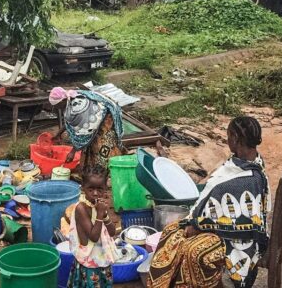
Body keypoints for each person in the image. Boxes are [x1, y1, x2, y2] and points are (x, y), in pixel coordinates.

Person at [148, 116, 270, 288]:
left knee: (193, 252)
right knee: (170, 231)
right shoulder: (243, 162)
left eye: (228, 136)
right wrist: (195, 223)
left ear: (235, 139)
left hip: (239, 241)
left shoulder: (248, 181)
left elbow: (238, 217)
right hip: (223, 228)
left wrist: (197, 226)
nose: (227, 140)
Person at [50, 88, 127, 172]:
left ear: (62, 101)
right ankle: (91, 169)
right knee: (89, 144)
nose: (55, 108)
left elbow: (84, 134)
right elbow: (73, 123)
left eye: (56, 105)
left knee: (102, 144)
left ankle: (108, 171)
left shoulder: (78, 107)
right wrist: (59, 134)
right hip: (93, 117)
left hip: (106, 116)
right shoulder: (70, 100)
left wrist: (72, 152)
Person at [67, 165, 118, 288]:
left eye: (100, 189)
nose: (95, 193)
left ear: (105, 188)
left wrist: (104, 215)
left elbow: (112, 232)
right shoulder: (81, 208)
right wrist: (100, 214)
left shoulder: (99, 205)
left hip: (101, 258)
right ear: (83, 187)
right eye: (91, 189)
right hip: (89, 261)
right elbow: (94, 237)